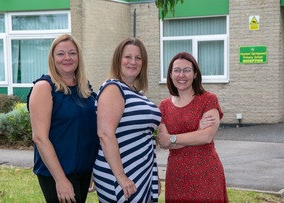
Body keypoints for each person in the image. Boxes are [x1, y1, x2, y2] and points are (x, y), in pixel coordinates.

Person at [27, 34, 99, 203]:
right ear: (52, 58)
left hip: (82, 171)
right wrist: (60, 179)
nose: (67, 58)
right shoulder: (44, 87)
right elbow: (40, 138)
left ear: (78, 57)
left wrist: (93, 169)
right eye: (60, 54)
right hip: (57, 173)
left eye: (72, 53)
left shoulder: (84, 88)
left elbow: (89, 130)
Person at [93, 37, 162, 203]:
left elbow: (144, 137)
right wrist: (121, 177)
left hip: (141, 170)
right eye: (128, 57)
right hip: (120, 173)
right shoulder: (113, 88)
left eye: (138, 58)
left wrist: (154, 175)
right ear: (118, 59)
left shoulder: (136, 93)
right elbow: (105, 134)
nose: (133, 62)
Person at [157, 52, 229, 202]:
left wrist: (173, 138)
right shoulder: (164, 106)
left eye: (187, 70)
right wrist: (197, 131)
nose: (181, 75)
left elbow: (206, 137)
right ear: (170, 74)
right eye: (176, 70)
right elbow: (163, 142)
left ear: (195, 74)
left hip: (206, 172)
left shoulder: (208, 100)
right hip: (176, 175)